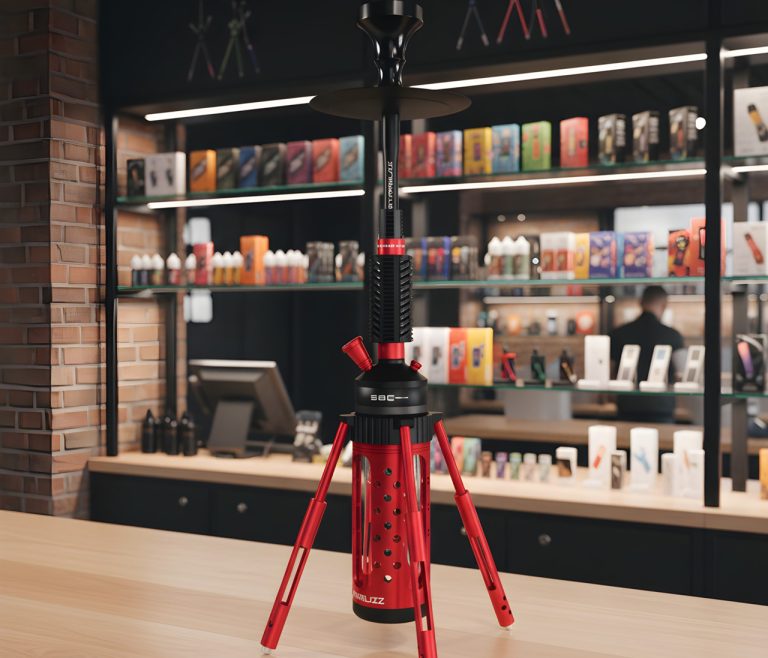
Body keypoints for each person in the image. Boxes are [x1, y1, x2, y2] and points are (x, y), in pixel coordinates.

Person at [608, 286, 684, 423]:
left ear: (640, 302)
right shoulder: (673, 336)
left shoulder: (619, 333)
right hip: (661, 407)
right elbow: (682, 374)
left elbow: (610, 371)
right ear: (664, 305)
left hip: (627, 406)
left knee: (626, 444)